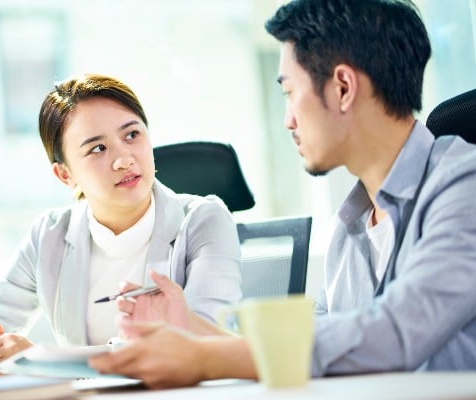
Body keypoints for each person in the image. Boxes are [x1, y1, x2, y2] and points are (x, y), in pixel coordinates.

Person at [89, 0, 476, 389]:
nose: (288, 119)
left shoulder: (464, 186)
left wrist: (206, 358)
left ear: (343, 87)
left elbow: (396, 333)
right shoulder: (353, 222)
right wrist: (194, 331)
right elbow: (310, 350)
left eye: (290, 93)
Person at [0, 73, 242, 380]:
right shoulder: (49, 237)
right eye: (98, 149)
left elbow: (206, 342)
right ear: (65, 175)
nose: (124, 159)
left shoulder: (204, 220)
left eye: (132, 135)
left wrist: (41, 362)